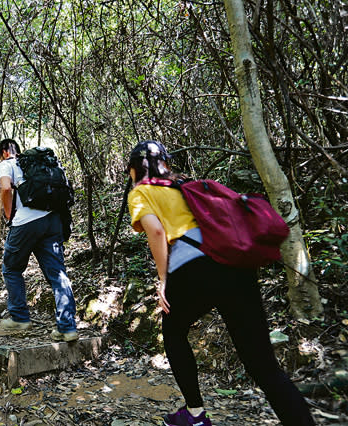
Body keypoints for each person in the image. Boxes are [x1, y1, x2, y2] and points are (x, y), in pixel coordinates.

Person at [126, 140, 314, 426]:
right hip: (235, 265)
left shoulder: (141, 191)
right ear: (167, 162)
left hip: (193, 270)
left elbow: (155, 230)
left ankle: (195, 416)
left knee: (174, 332)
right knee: (263, 365)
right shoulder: (185, 185)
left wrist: (163, 280)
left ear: (132, 170)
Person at [0, 138, 78, 342]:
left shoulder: (8, 164)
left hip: (25, 223)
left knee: (12, 268)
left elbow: (6, 188)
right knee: (57, 273)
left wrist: (8, 215)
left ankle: (20, 318)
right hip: (53, 221)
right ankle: (67, 328)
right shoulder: (37, 164)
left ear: (5, 152)